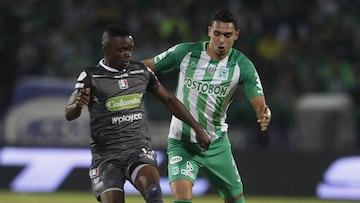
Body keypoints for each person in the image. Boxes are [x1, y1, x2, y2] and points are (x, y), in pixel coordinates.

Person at [65, 25, 210, 203]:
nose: (128, 54)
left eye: (130, 49)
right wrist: (77, 106)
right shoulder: (91, 76)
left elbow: (169, 100)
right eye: (122, 50)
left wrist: (198, 128)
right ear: (106, 49)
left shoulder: (141, 71)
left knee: (154, 194)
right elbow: (69, 112)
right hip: (106, 157)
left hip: (138, 150)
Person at [141, 9, 271, 203]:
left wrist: (263, 113)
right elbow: (147, 66)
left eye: (227, 35)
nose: (221, 40)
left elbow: (259, 102)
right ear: (209, 31)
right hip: (181, 143)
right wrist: (116, 73)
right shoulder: (185, 52)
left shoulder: (242, 66)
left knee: (236, 200)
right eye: (217, 33)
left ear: (236, 35)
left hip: (216, 144)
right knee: (182, 199)